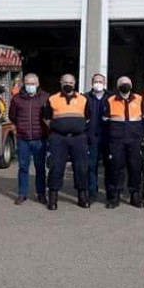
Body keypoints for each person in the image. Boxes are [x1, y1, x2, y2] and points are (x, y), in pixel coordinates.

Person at [43, 74, 90, 210]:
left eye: (70, 82)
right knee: (56, 167)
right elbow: (46, 118)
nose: (68, 84)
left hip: (78, 138)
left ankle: (83, 197)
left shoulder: (83, 99)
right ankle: (53, 199)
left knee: (81, 167)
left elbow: (88, 117)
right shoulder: (52, 99)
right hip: (58, 138)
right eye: (65, 82)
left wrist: (77, 127)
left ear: (74, 84)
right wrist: (59, 127)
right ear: (61, 83)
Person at [104, 76, 144, 209]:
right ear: (118, 86)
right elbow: (105, 122)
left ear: (131, 85)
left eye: (127, 83)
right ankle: (115, 195)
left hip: (134, 140)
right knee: (116, 168)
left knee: (135, 168)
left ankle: (135, 195)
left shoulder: (139, 99)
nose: (125, 85)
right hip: (116, 141)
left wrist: (141, 136)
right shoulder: (110, 100)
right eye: (122, 83)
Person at [8, 73, 49, 205]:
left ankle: (41, 193)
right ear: (23, 84)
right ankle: (22, 193)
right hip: (23, 139)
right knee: (23, 167)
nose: (30, 86)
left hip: (40, 138)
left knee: (40, 168)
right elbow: (12, 116)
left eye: (33, 83)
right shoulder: (16, 99)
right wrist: (20, 127)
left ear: (38, 84)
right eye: (27, 83)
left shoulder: (46, 97)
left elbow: (50, 116)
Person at [85, 73, 110, 199]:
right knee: (91, 165)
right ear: (92, 82)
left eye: (100, 81)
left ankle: (110, 192)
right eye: (96, 81)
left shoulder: (111, 97)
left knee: (109, 166)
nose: (98, 83)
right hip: (91, 137)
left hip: (108, 137)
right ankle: (92, 191)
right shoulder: (85, 98)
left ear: (104, 83)